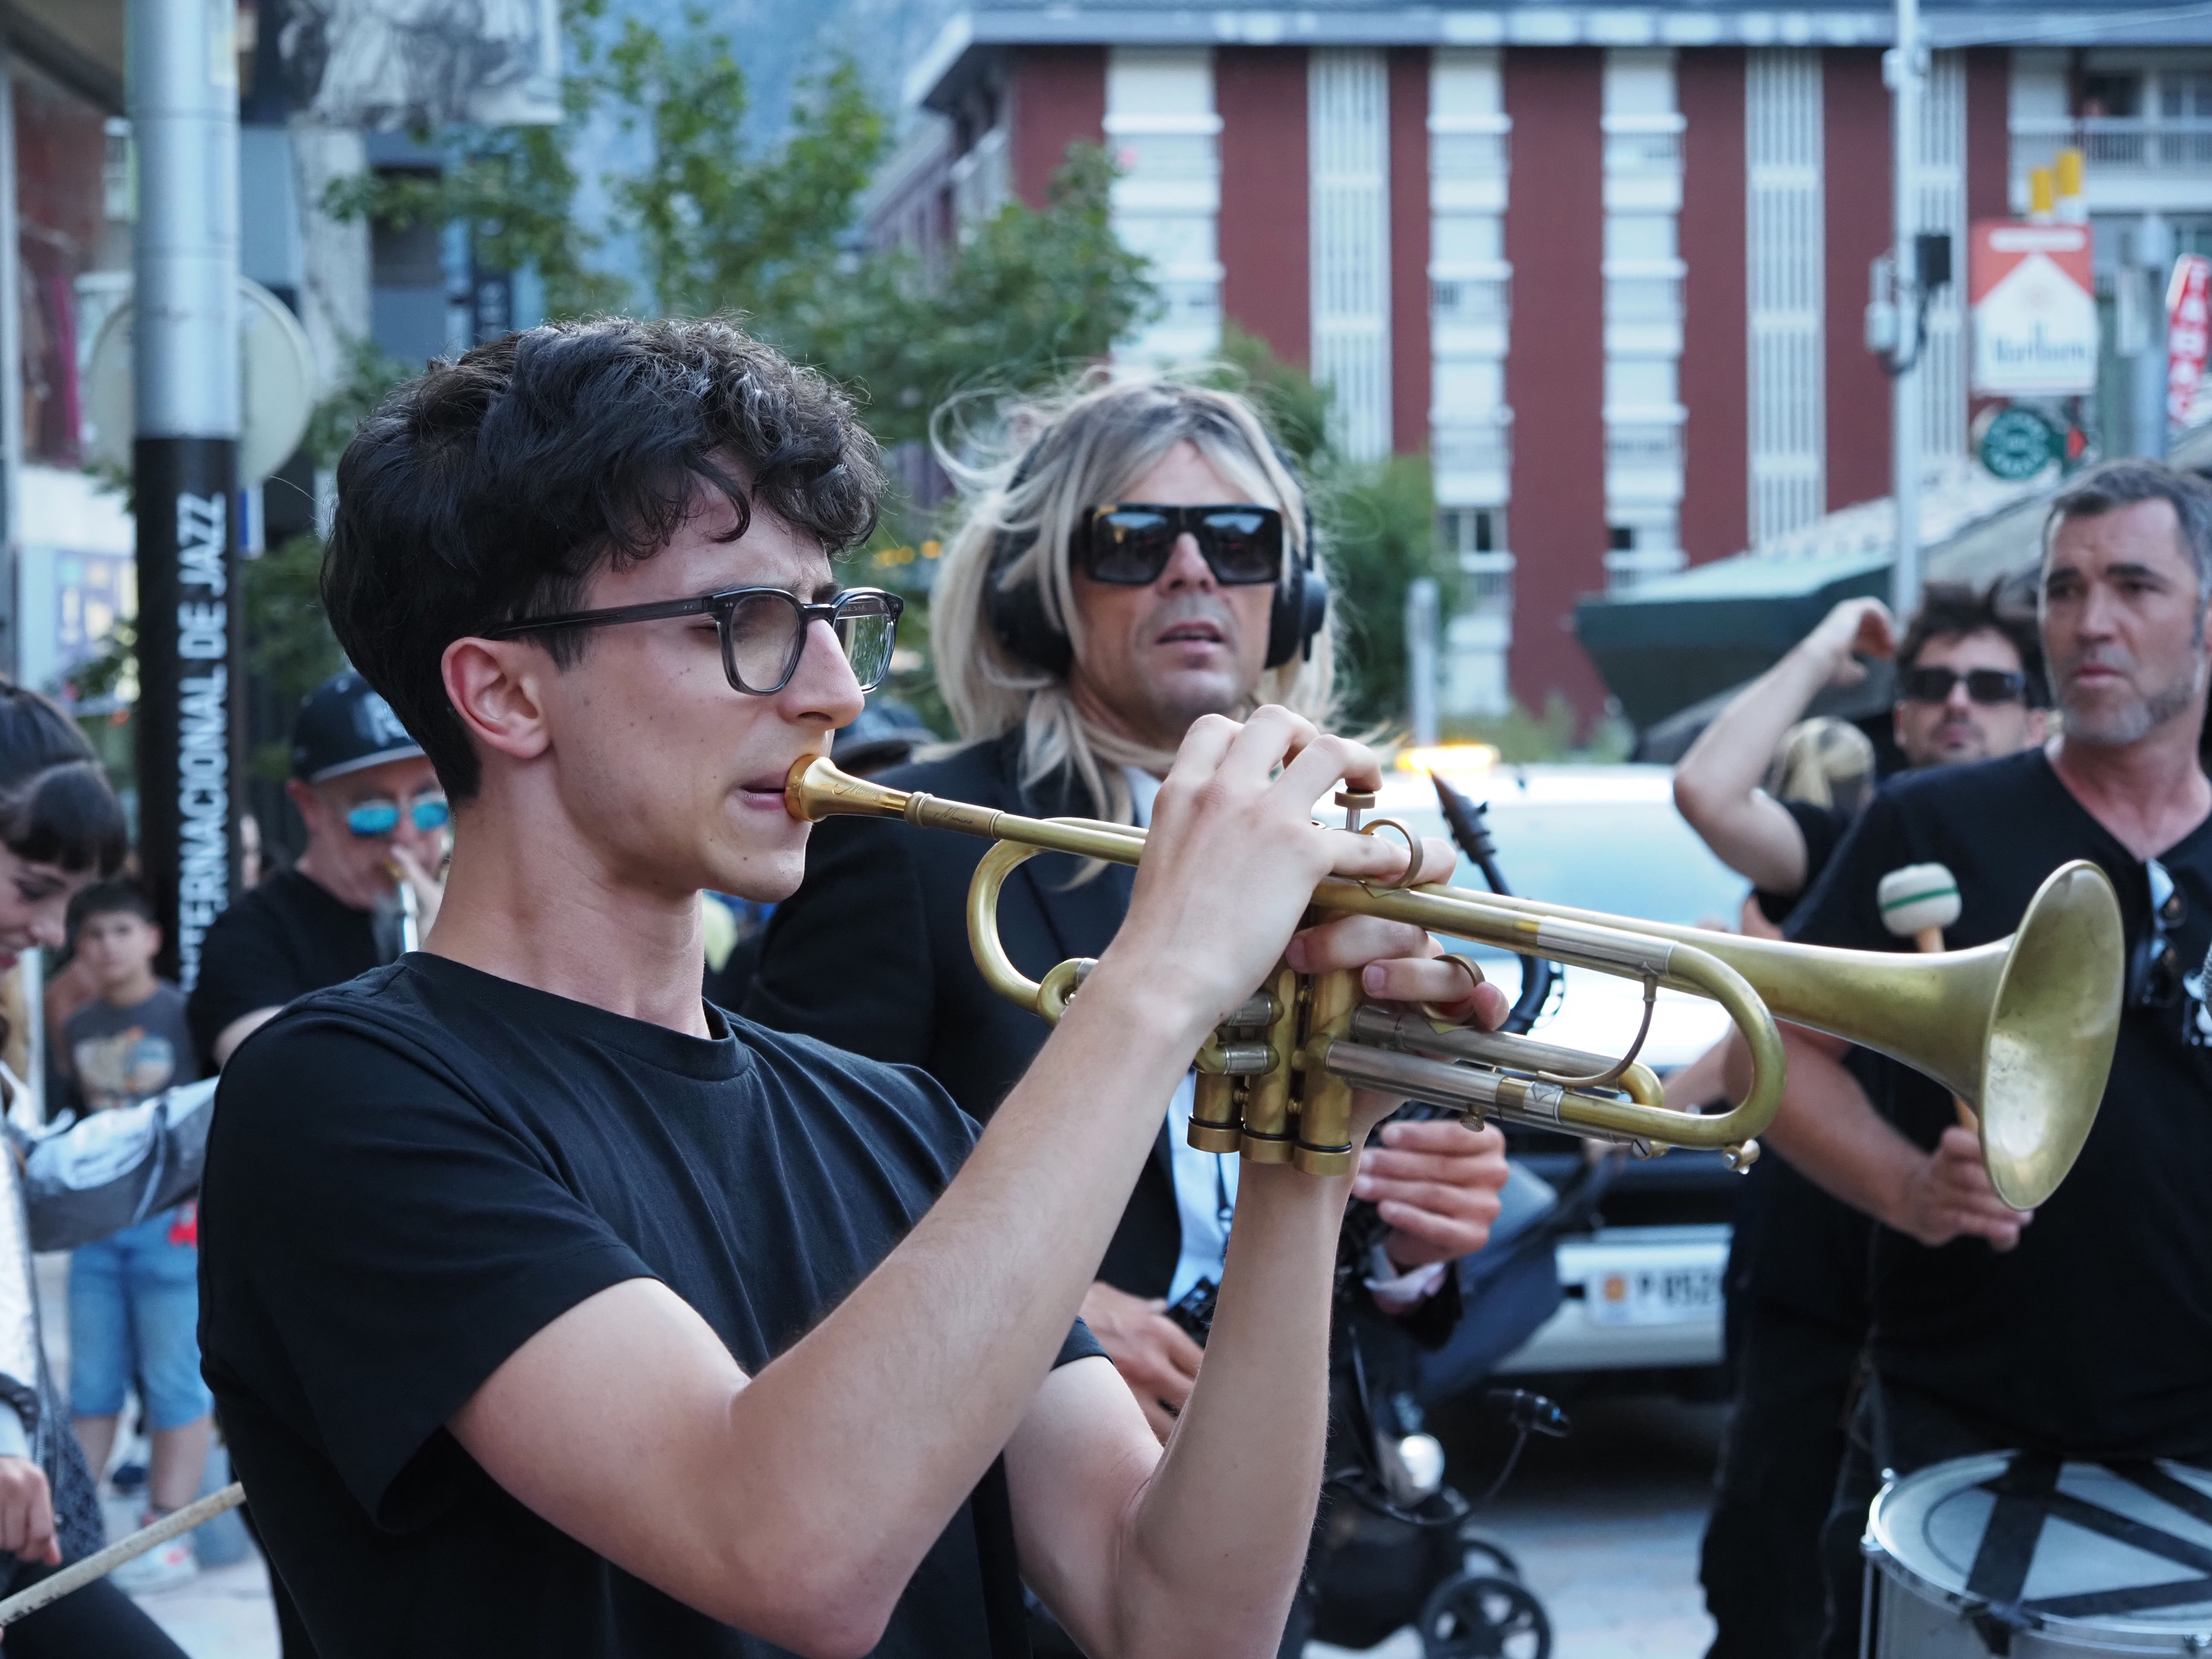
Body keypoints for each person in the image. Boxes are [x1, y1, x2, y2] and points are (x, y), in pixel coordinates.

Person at [196, 317, 1502, 1659]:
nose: (830, 689)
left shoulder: (897, 1122)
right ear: (508, 697)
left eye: (833, 620)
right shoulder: (340, 1099)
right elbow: (786, 1548)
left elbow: (1179, 1622)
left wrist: (1307, 1143)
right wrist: (1159, 979)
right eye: (744, 624)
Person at [745, 377, 1511, 1437]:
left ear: (1289, 598)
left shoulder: (1344, 858)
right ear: (1038, 592)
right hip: (998, 1524)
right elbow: (784, 1190)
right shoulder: (917, 839)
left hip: (1274, 1525)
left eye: (1239, 542)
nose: (1190, 569)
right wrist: (1058, 1316)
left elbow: (1339, 1255)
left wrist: (1406, 1251)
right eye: (1132, 538)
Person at [1744, 461, 2212, 1659]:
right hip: (1964, 1424)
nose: (2088, 620)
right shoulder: (1932, 820)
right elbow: (1778, 1051)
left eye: (2133, 585)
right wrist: (1906, 1186)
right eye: (2064, 587)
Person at [1674, 584, 2049, 1659]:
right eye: (1928, 685)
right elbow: (1706, 787)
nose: (1955, 707)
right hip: (1817, 1281)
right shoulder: (1863, 842)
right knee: (1771, 1581)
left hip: (1978, 1305)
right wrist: (1827, 644)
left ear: (2037, 715)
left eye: (1990, 685)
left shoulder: (2067, 865)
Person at [0, 684, 191, 1658]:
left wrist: (255, 1099)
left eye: (68, 904)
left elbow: (25, 1190)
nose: (48, 933)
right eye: (33, 888)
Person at [57, 881, 209, 1592]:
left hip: (173, 1227)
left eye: (121, 929)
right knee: (90, 1385)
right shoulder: (77, 1021)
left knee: (178, 1381)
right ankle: (64, 1533)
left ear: (150, 936)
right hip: (99, 1231)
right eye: (91, 935)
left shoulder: (184, 1014)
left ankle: (168, 1532)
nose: (106, 946)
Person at [185, 670, 448, 1070]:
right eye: (373, 811)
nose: (406, 833)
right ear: (309, 806)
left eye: (429, 801)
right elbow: (273, 1078)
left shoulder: (477, 917)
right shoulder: (251, 935)